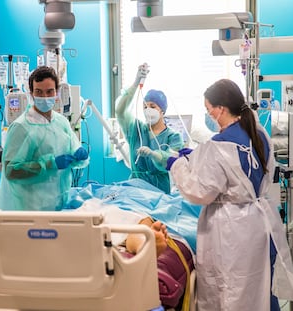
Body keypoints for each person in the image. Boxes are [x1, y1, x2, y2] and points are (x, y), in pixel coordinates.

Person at [166, 79, 293, 311]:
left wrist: (177, 165)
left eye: (208, 109)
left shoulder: (220, 145)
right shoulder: (259, 133)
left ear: (220, 109)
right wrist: (196, 156)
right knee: (258, 286)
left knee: (231, 290)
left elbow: (200, 191)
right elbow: (234, 169)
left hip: (231, 231)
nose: (208, 114)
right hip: (257, 224)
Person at [0, 66, 89, 211]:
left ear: (57, 92)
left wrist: (80, 155)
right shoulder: (22, 127)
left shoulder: (61, 122)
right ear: (31, 93)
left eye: (49, 91)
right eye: (39, 92)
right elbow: (11, 171)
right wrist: (49, 164)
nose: (45, 97)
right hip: (33, 208)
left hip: (60, 203)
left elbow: (74, 152)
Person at [115, 63, 184, 194]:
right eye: (145, 106)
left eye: (152, 106)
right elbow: (120, 111)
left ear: (162, 111)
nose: (148, 110)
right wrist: (136, 83)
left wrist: (154, 154)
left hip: (158, 191)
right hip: (135, 188)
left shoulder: (173, 137)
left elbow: (170, 159)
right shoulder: (136, 130)